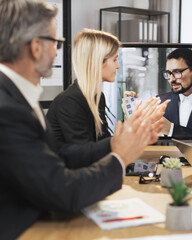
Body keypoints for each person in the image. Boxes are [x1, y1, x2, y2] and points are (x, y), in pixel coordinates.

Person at [0, 1, 164, 239]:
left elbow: (60, 154)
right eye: (55, 42)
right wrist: (120, 157)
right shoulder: (8, 109)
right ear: (36, 47)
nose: (57, 51)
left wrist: (116, 144)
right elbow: (62, 191)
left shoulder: (18, 97)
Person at [127, 48, 192, 138]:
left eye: (177, 72)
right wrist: (130, 111)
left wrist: (170, 129)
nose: (171, 79)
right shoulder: (160, 100)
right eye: (168, 73)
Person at [46, 29, 118, 144]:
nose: (118, 66)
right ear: (97, 61)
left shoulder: (98, 97)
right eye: (114, 60)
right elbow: (83, 153)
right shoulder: (71, 101)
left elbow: (103, 141)